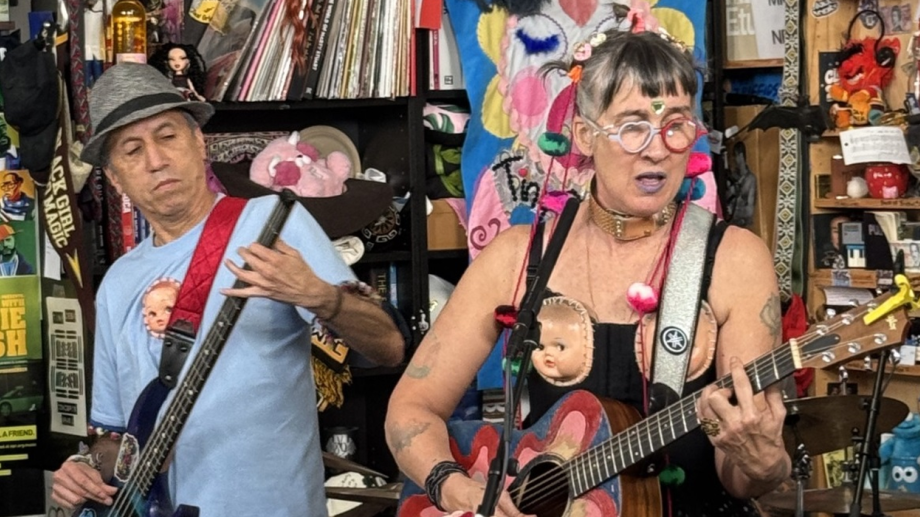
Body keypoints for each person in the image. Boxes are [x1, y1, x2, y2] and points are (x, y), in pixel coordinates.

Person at [385, 28, 790, 517]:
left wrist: (762, 461)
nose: (658, 150)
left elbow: (740, 473)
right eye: (633, 126)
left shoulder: (735, 259)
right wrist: (451, 486)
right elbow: (411, 407)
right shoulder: (520, 256)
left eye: (676, 124)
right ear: (584, 135)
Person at [49, 63, 406, 517]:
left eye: (168, 136)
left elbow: (390, 346)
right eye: (132, 150)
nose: (156, 160)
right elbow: (114, 439)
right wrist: (84, 466)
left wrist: (322, 296)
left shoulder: (271, 223)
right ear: (114, 177)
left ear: (199, 142)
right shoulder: (117, 283)